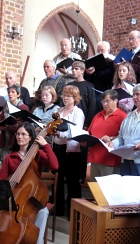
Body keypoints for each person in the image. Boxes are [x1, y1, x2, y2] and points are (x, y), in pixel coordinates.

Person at [0, 122, 58, 244]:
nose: (19, 137)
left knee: (43, 212)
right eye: (18, 134)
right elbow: (1, 180)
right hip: (14, 197)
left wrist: (45, 145)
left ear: (31, 137)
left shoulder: (37, 154)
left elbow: (55, 166)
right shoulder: (10, 157)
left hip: (31, 198)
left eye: (23, 134)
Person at [52, 85, 85, 217]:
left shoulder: (78, 113)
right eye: (64, 95)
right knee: (58, 180)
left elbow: (76, 133)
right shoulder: (59, 111)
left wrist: (60, 134)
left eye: (68, 96)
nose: (65, 98)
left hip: (71, 151)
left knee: (72, 183)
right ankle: (58, 209)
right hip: (57, 148)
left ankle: (73, 213)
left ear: (75, 98)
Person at [87, 90, 127, 181]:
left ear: (116, 101)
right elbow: (90, 132)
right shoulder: (98, 115)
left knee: (107, 189)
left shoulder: (122, 117)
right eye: (103, 102)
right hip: (95, 157)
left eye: (107, 101)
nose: (105, 104)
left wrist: (111, 138)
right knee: (95, 188)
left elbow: (125, 138)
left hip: (109, 159)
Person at [0, 84, 30, 161]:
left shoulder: (23, 108)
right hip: (5, 138)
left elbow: (22, 125)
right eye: (9, 92)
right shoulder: (6, 106)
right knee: (5, 163)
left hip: (16, 139)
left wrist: (8, 127)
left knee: (14, 163)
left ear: (18, 94)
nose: (10, 94)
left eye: (13, 92)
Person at [84, 41, 115, 112]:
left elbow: (113, 77)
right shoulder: (94, 61)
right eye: (98, 51)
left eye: (102, 50)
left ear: (108, 50)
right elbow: (88, 79)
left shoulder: (112, 62)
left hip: (107, 91)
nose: (100, 53)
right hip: (94, 92)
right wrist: (88, 73)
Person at [67, 61, 97, 129]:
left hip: (83, 118)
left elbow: (92, 106)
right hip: (69, 117)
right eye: (72, 69)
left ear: (82, 71)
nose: (73, 71)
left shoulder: (89, 86)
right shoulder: (69, 85)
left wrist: (87, 123)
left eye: (76, 69)